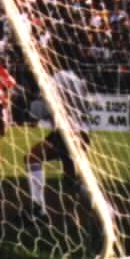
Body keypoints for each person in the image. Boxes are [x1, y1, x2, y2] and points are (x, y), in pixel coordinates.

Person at [23, 48, 92, 219]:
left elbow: (39, 112)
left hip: (67, 133)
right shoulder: (76, 78)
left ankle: (38, 210)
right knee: (71, 181)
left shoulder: (53, 81)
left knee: (32, 157)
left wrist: (31, 96)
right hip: (80, 131)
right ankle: (107, 212)